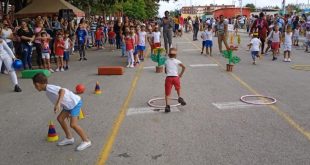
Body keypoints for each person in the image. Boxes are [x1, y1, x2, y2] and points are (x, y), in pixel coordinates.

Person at [32, 73, 91, 151]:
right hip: (68, 105)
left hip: (74, 103)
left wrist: (58, 103)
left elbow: (62, 90)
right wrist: (58, 105)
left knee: (73, 124)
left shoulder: (49, 88)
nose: (35, 87)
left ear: (38, 84)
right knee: (60, 119)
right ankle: (69, 138)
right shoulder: (47, 90)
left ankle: (86, 141)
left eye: (34, 85)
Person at [164, 48, 186, 113]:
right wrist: (180, 74)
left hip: (169, 78)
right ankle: (179, 97)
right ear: (175, 55)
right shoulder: (177, 61)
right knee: (178, 88)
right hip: (176, 77)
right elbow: (184, 67)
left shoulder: (166, 61)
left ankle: (167, 106)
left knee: (167, 93)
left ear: (168, 55)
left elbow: (165, 71)